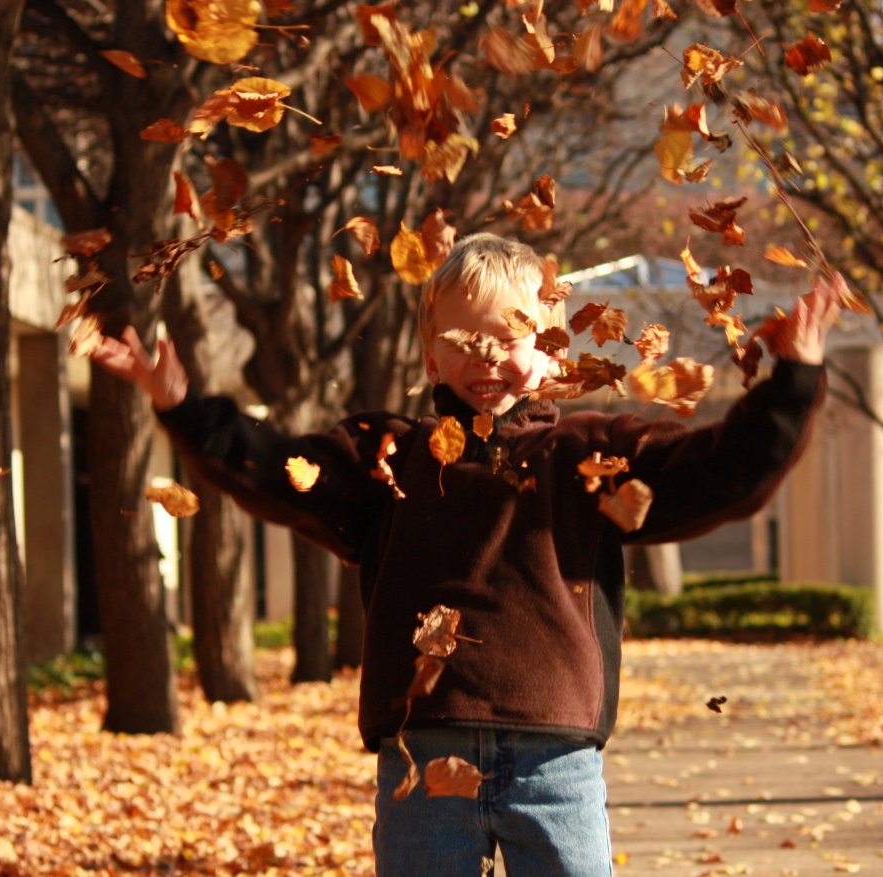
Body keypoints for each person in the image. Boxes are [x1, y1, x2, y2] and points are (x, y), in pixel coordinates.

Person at [92, 232, 839, 876]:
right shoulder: (388, 458)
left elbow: (717, 472)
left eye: (508, 337)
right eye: (462, 339)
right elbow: (280, 469)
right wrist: (183, 406)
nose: (486, 356)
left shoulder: (588, 455)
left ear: (550, 352)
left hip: (556, 760)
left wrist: (794, 380)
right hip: (423, 754)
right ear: (429, 355)